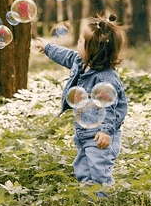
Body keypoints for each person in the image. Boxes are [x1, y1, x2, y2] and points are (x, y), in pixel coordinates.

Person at [33, 14, 128, 189]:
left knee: (99, 170)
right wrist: (47, 47)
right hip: (84, 131)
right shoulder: (81, 62)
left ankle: (103, 198)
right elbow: (66, 56)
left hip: (100, 136)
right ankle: (89, 197)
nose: (77, 45)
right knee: (83, 168)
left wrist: (106, 131)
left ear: (92, 49)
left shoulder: (105, 79)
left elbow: (110, 108)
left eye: (80, 42)